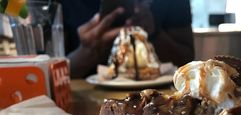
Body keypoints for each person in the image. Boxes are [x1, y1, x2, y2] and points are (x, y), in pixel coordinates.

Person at [59, 0, 194, 78]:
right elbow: (51, 77)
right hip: (81, 106)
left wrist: (152, 33)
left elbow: (186, 62)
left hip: (157, 99)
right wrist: (88, 50)